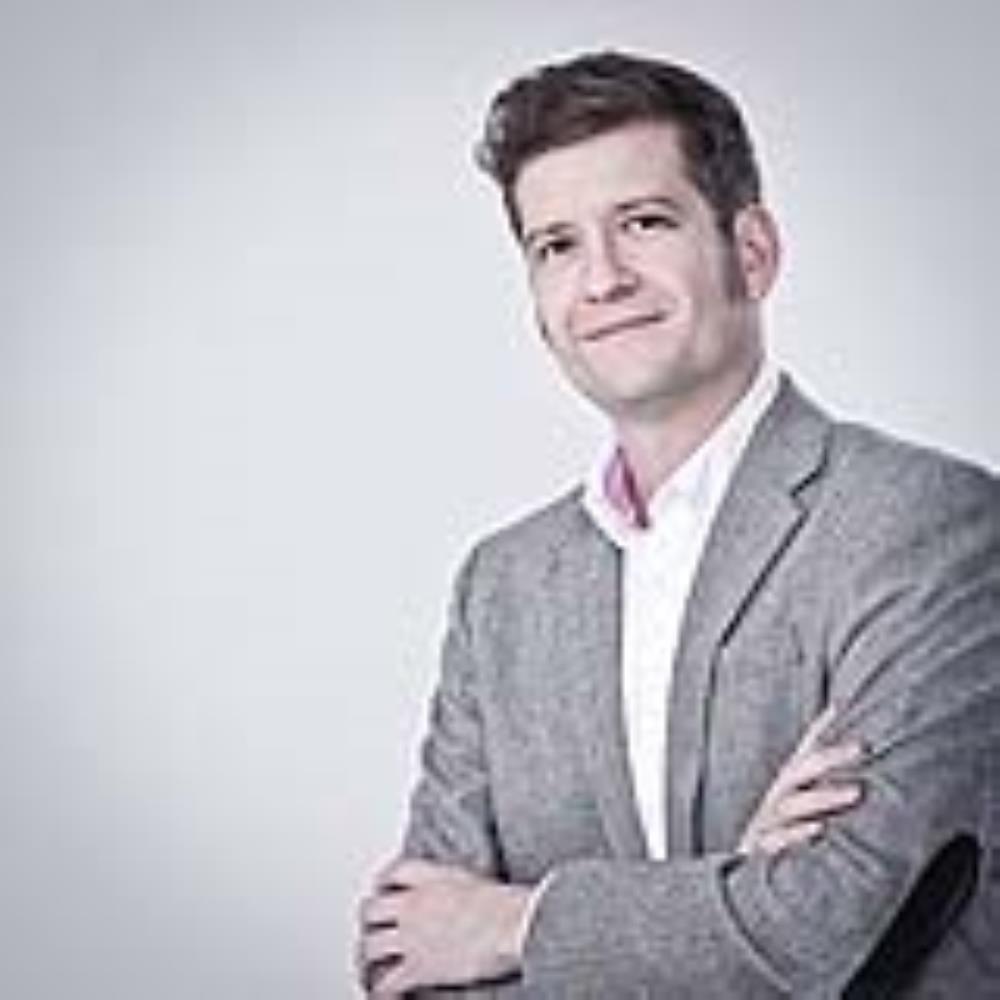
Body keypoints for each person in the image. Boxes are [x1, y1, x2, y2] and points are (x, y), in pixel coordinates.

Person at [356, 51, 1000, 997]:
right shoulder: (501, 588)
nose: (603, 279)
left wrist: (516, 923)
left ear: (753, 252)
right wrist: (734, 888)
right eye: (557, 246)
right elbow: (404, 954)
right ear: (537, 304)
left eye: (644, 223)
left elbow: (833, 926)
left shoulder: (926, 524)